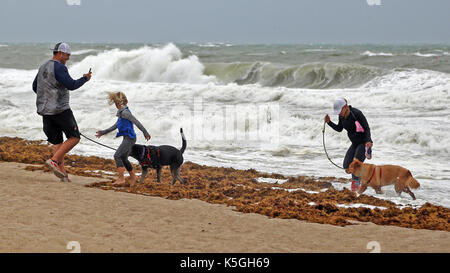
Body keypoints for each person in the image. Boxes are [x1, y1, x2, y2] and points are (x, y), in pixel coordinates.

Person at [32, 42, 92, 182]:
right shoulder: (59, 67)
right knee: (74, 137)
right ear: (59, 53)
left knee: (58, 142)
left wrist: (47, 97)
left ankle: (63, 175)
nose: (68, 58)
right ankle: (53, 161)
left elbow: (35, 87)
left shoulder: (43, 67)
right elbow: (71, 85)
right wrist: (85, 79)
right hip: (60, 109)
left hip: (45, 110)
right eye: (67, 55)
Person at [96, 92, 151, 187]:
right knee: (123, 158)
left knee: (117, 156)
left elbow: (137, 122)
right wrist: (103, 132)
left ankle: (121, 179)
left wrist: (145, 132)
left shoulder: (125, 113)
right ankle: (133, 177)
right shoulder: (122, 113)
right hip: (128, 138)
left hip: (130, 138)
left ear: (117, 104)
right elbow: (116, 125)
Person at [324, 98, 373, 192]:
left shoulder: (357, 113)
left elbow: (366, 128)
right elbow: (339, 129)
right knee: (346, 165)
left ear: (345, 107)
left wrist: (368, 141)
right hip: (354, 143)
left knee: (354, 167)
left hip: (363, 143)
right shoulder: (341, 116)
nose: (339, 113)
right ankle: (363, 180)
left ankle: (356, 190)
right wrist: (329, 122)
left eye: (340, 111)